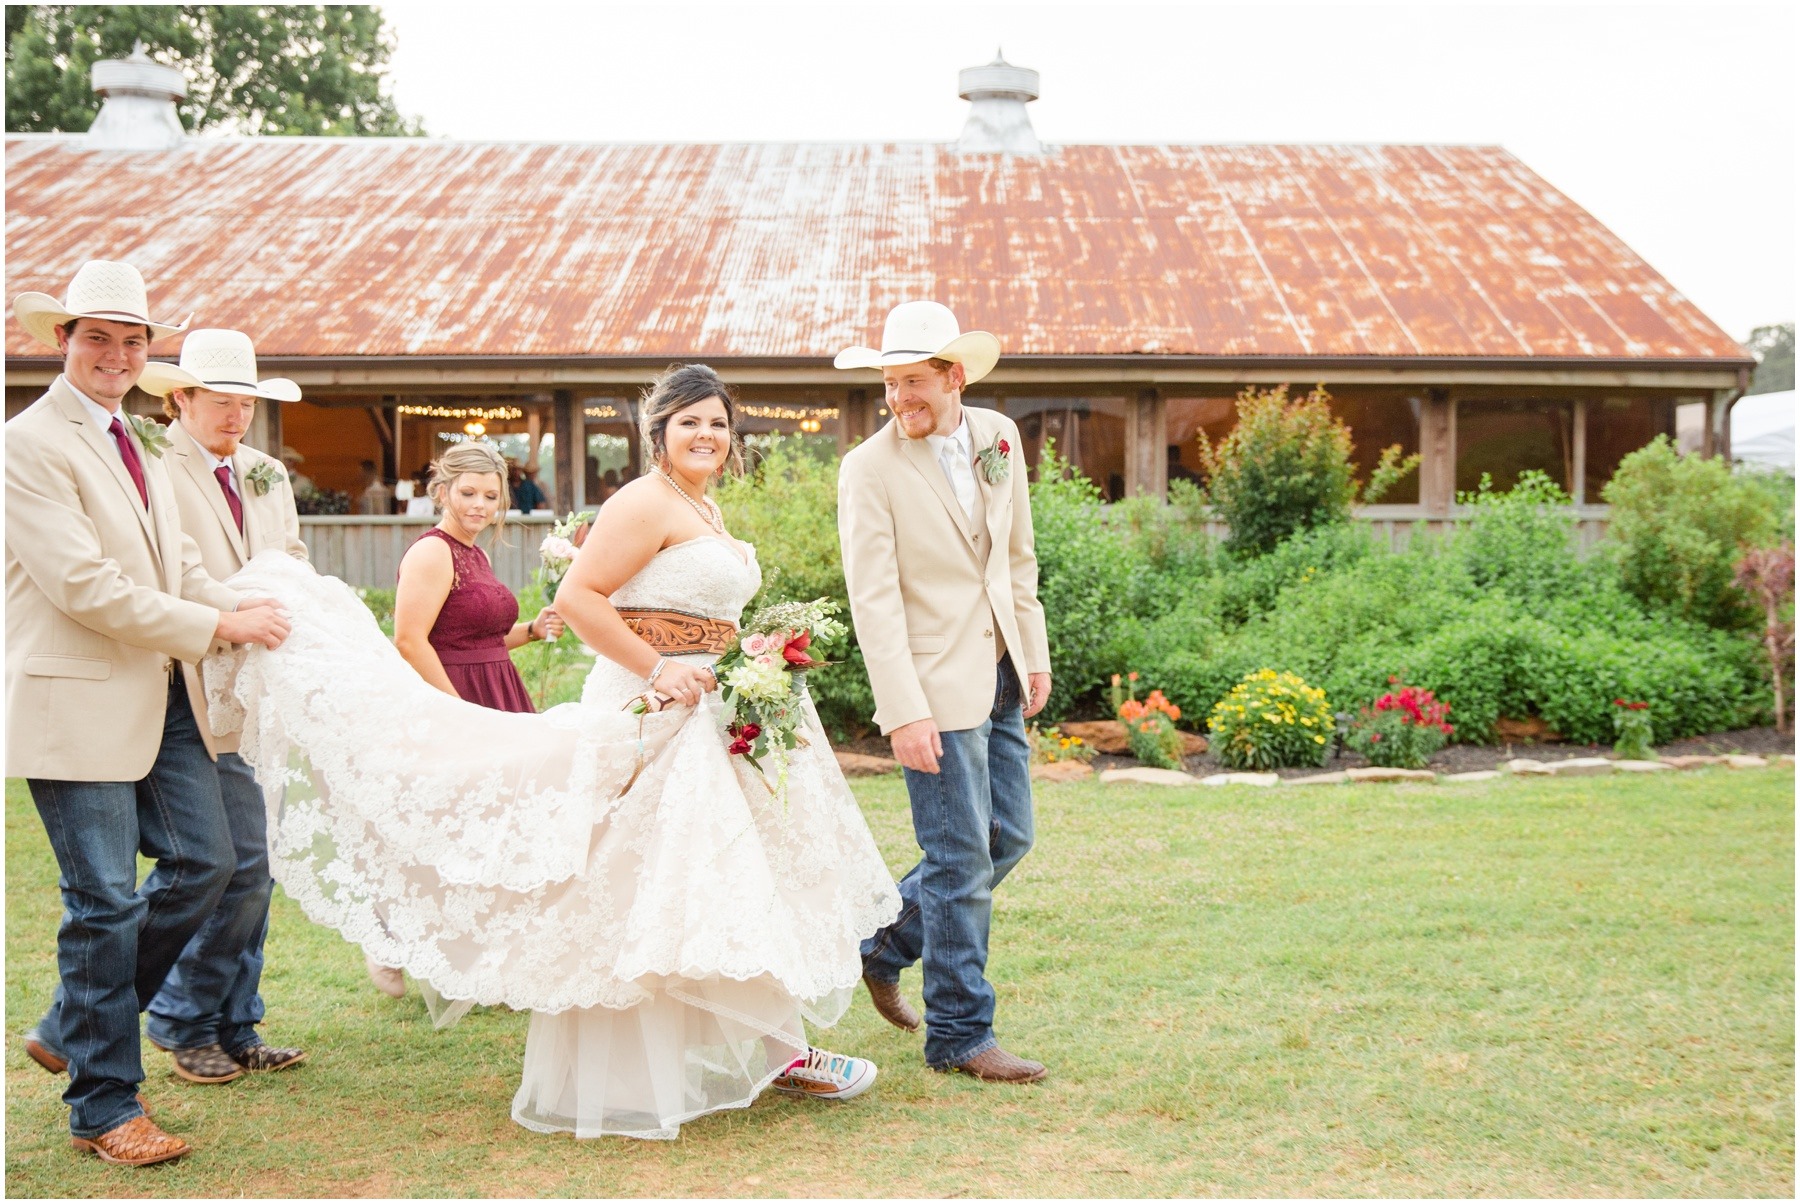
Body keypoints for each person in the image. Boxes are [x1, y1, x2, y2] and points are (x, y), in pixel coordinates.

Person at [204, 362, 899, 1139]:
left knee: (706, 879)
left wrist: (748, 652)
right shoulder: (644, 500)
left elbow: (689, 604)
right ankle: (773, 1053)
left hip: (705, 711)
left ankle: (775, 1049)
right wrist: (662, 668)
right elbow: (578, 599)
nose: (707, 435)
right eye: (690, 422)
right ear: (659, 433)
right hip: (651, 708)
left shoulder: (703, 507)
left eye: (718, 423)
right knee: (644, 883)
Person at [7, 262, 291, 1166]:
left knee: (208, 861)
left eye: (132, 341)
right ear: (63, 341)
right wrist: (218, 622)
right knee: (102, 903)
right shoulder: (27, 444)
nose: (116, 354)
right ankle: (103, 1104)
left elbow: (180, 569)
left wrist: (262, 615)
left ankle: (70, 1019)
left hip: (167, 690)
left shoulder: (142, 443)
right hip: (79, 697)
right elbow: (86, 587)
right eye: (98, 337)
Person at [834, 301, 1054, 1083]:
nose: (901, 400)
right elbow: (875, 599)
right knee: (958, 857)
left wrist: (1033, 652)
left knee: (1009, 838)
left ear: (955, 376)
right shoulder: (868, 469)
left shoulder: (999, 437)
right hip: (928, 686)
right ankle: (961, 1034)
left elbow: (1016, 556)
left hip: (999, 669)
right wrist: (904, 709)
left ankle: (882, 943)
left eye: (916, 383)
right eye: (891, 384)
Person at [134, 329, 311, 1086]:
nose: (237, 417)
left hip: (258, 685)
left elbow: (292, 560)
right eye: (222, 402)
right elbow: (173, 570)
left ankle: (236, 1025)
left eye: (247, 404)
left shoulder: (267, 472)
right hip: (185, 680)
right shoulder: (151, 465)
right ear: (181, 400)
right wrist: (239, 613)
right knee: (234, 861)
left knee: (256, 866)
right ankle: (183, 1020)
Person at [363, 441, 565, 997]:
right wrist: (454, 713)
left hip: (497, 692)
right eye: (468, 492)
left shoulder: (476, 553)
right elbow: (409, 640)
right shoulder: (432, 552)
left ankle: (485, 953)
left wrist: (532, 629)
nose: (479, 504)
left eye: (491, 496)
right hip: (450, 700)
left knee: (497, 829)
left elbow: (480, 637)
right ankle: (386, 934)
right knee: (443, 827)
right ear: (443, 491)